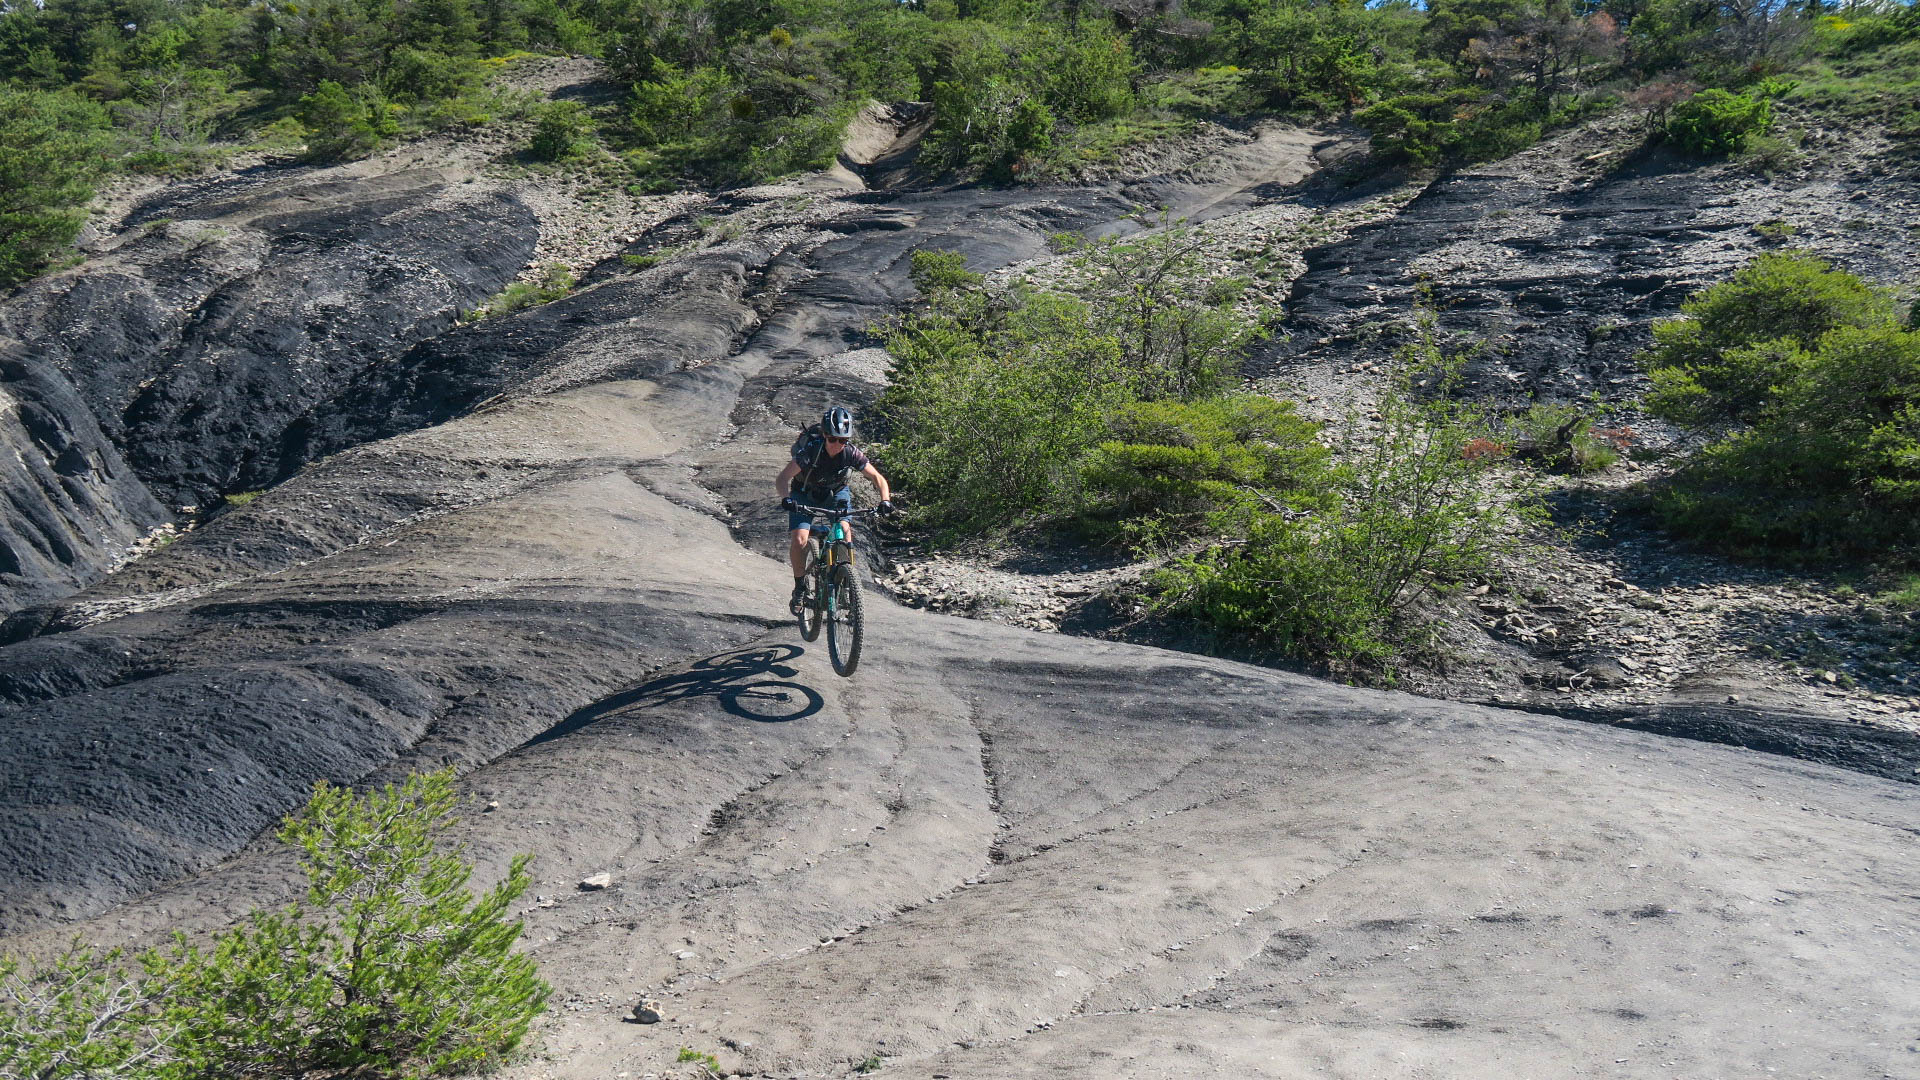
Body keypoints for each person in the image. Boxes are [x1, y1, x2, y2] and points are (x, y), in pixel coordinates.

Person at [776, 407, 894, 614]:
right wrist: (786, 499)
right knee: (800, 539)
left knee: (844, 532)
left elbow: (878, 478)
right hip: (804, 492)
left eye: (843, 440)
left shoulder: (851, 453)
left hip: (836, 493)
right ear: (824, 436)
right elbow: (783, 478)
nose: (838, 445)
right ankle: (800, 586)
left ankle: (843, 581)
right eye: (833, 439)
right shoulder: (812, 450)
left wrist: (885, 500)